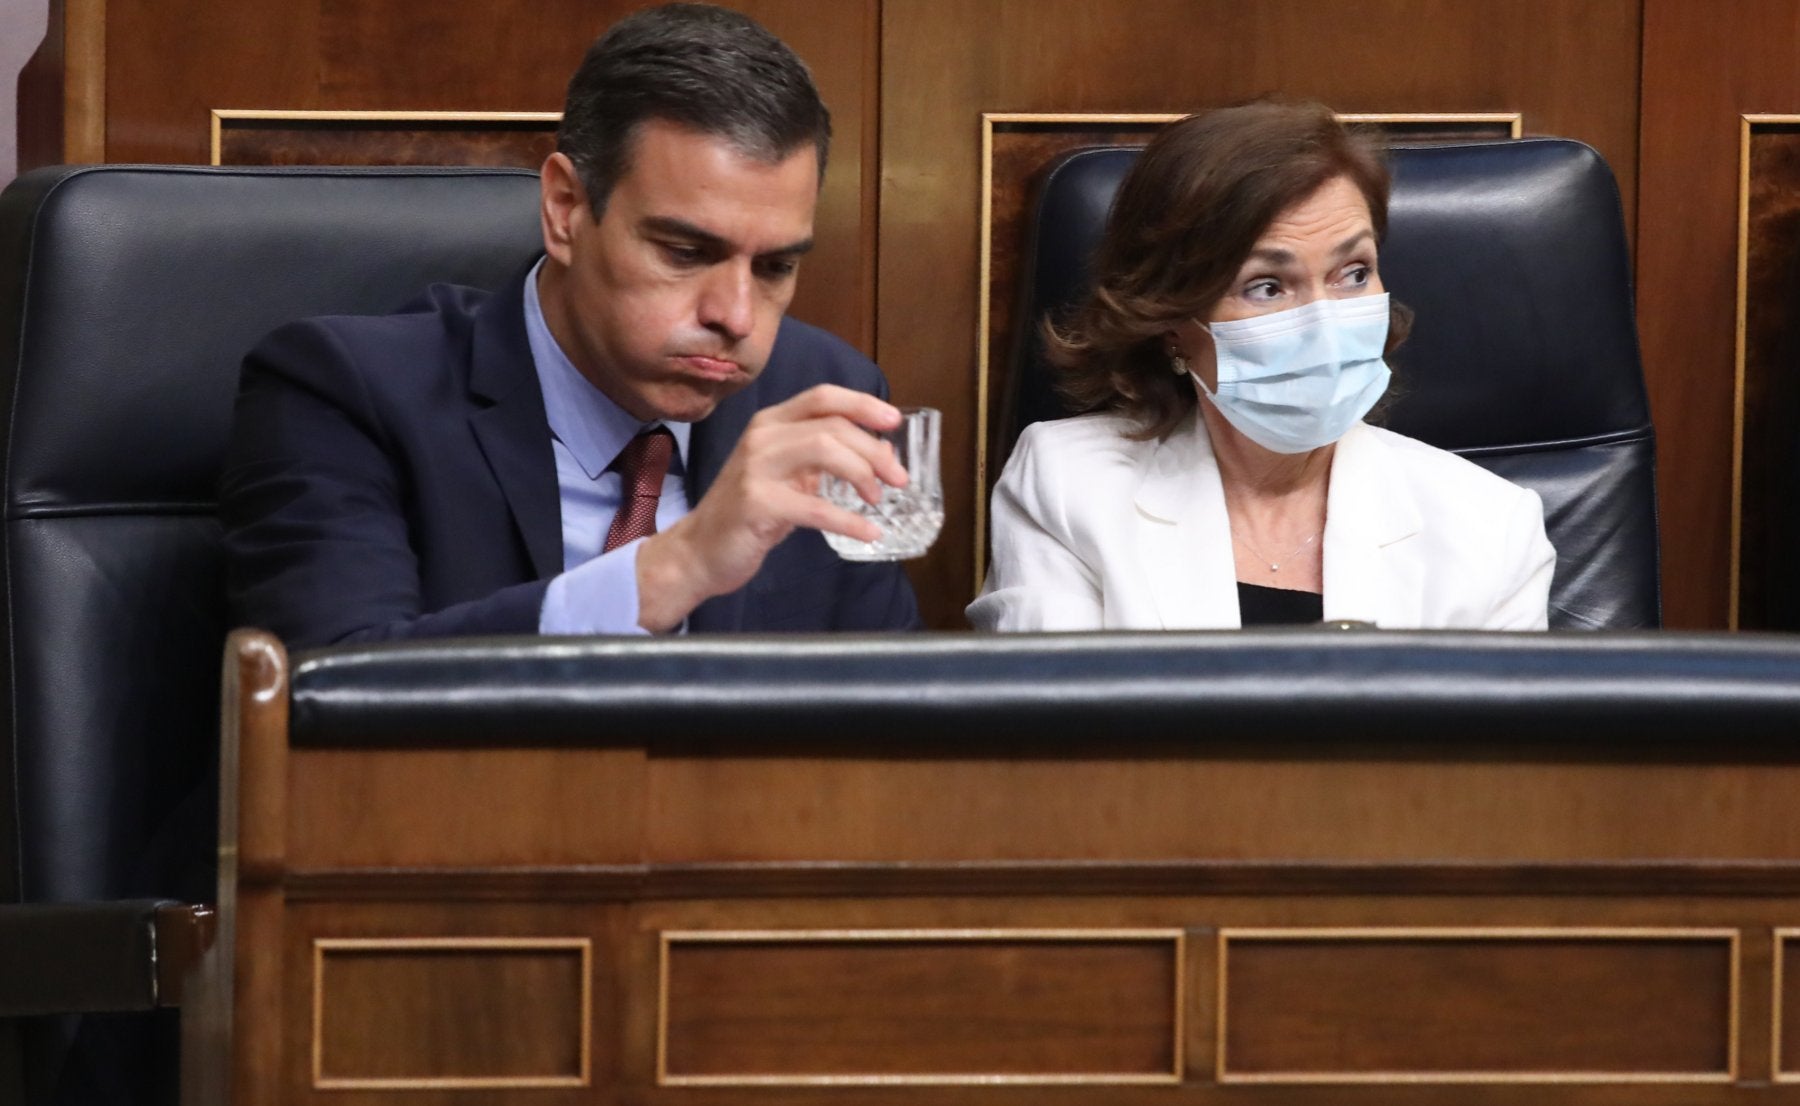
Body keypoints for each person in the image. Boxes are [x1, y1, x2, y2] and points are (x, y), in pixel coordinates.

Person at [222, 3, 920, 648]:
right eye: (685, 253)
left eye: (773, 268)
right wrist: (670, 571)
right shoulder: (345, 393)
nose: (735, 316)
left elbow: (888, 730)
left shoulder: (824, 398)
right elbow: (331, 701)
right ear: (565, 209)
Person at [968, 101, 1554, 631]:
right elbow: (1054, 733)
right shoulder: (1070, 486)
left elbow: (1499, 752)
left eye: (1353, 274)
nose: (1325, 323)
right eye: (1267, 286)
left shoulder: (1491, 528)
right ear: (1172, 320)